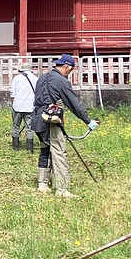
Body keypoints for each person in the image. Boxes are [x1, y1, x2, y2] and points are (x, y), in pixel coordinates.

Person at [30, 54, 99, 198]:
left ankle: (42, 184)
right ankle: (62, 190)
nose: (69, 73)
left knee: (45, 149)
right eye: (70, 70)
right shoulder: (62, 81)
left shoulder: (42, 78)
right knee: (59, 152)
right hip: (51, 120)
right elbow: (74, 104)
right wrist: (88, 121)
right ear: (67, 67)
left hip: (37, 118)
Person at [10, 62, 38, 152]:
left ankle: (15, 147)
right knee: (29, 128)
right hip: (30, 106)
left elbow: (12, 93)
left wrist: (14, 101)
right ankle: (30, 149)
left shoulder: (17, 78)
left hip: (18, 105)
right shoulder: (35, 79)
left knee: (16, 126)